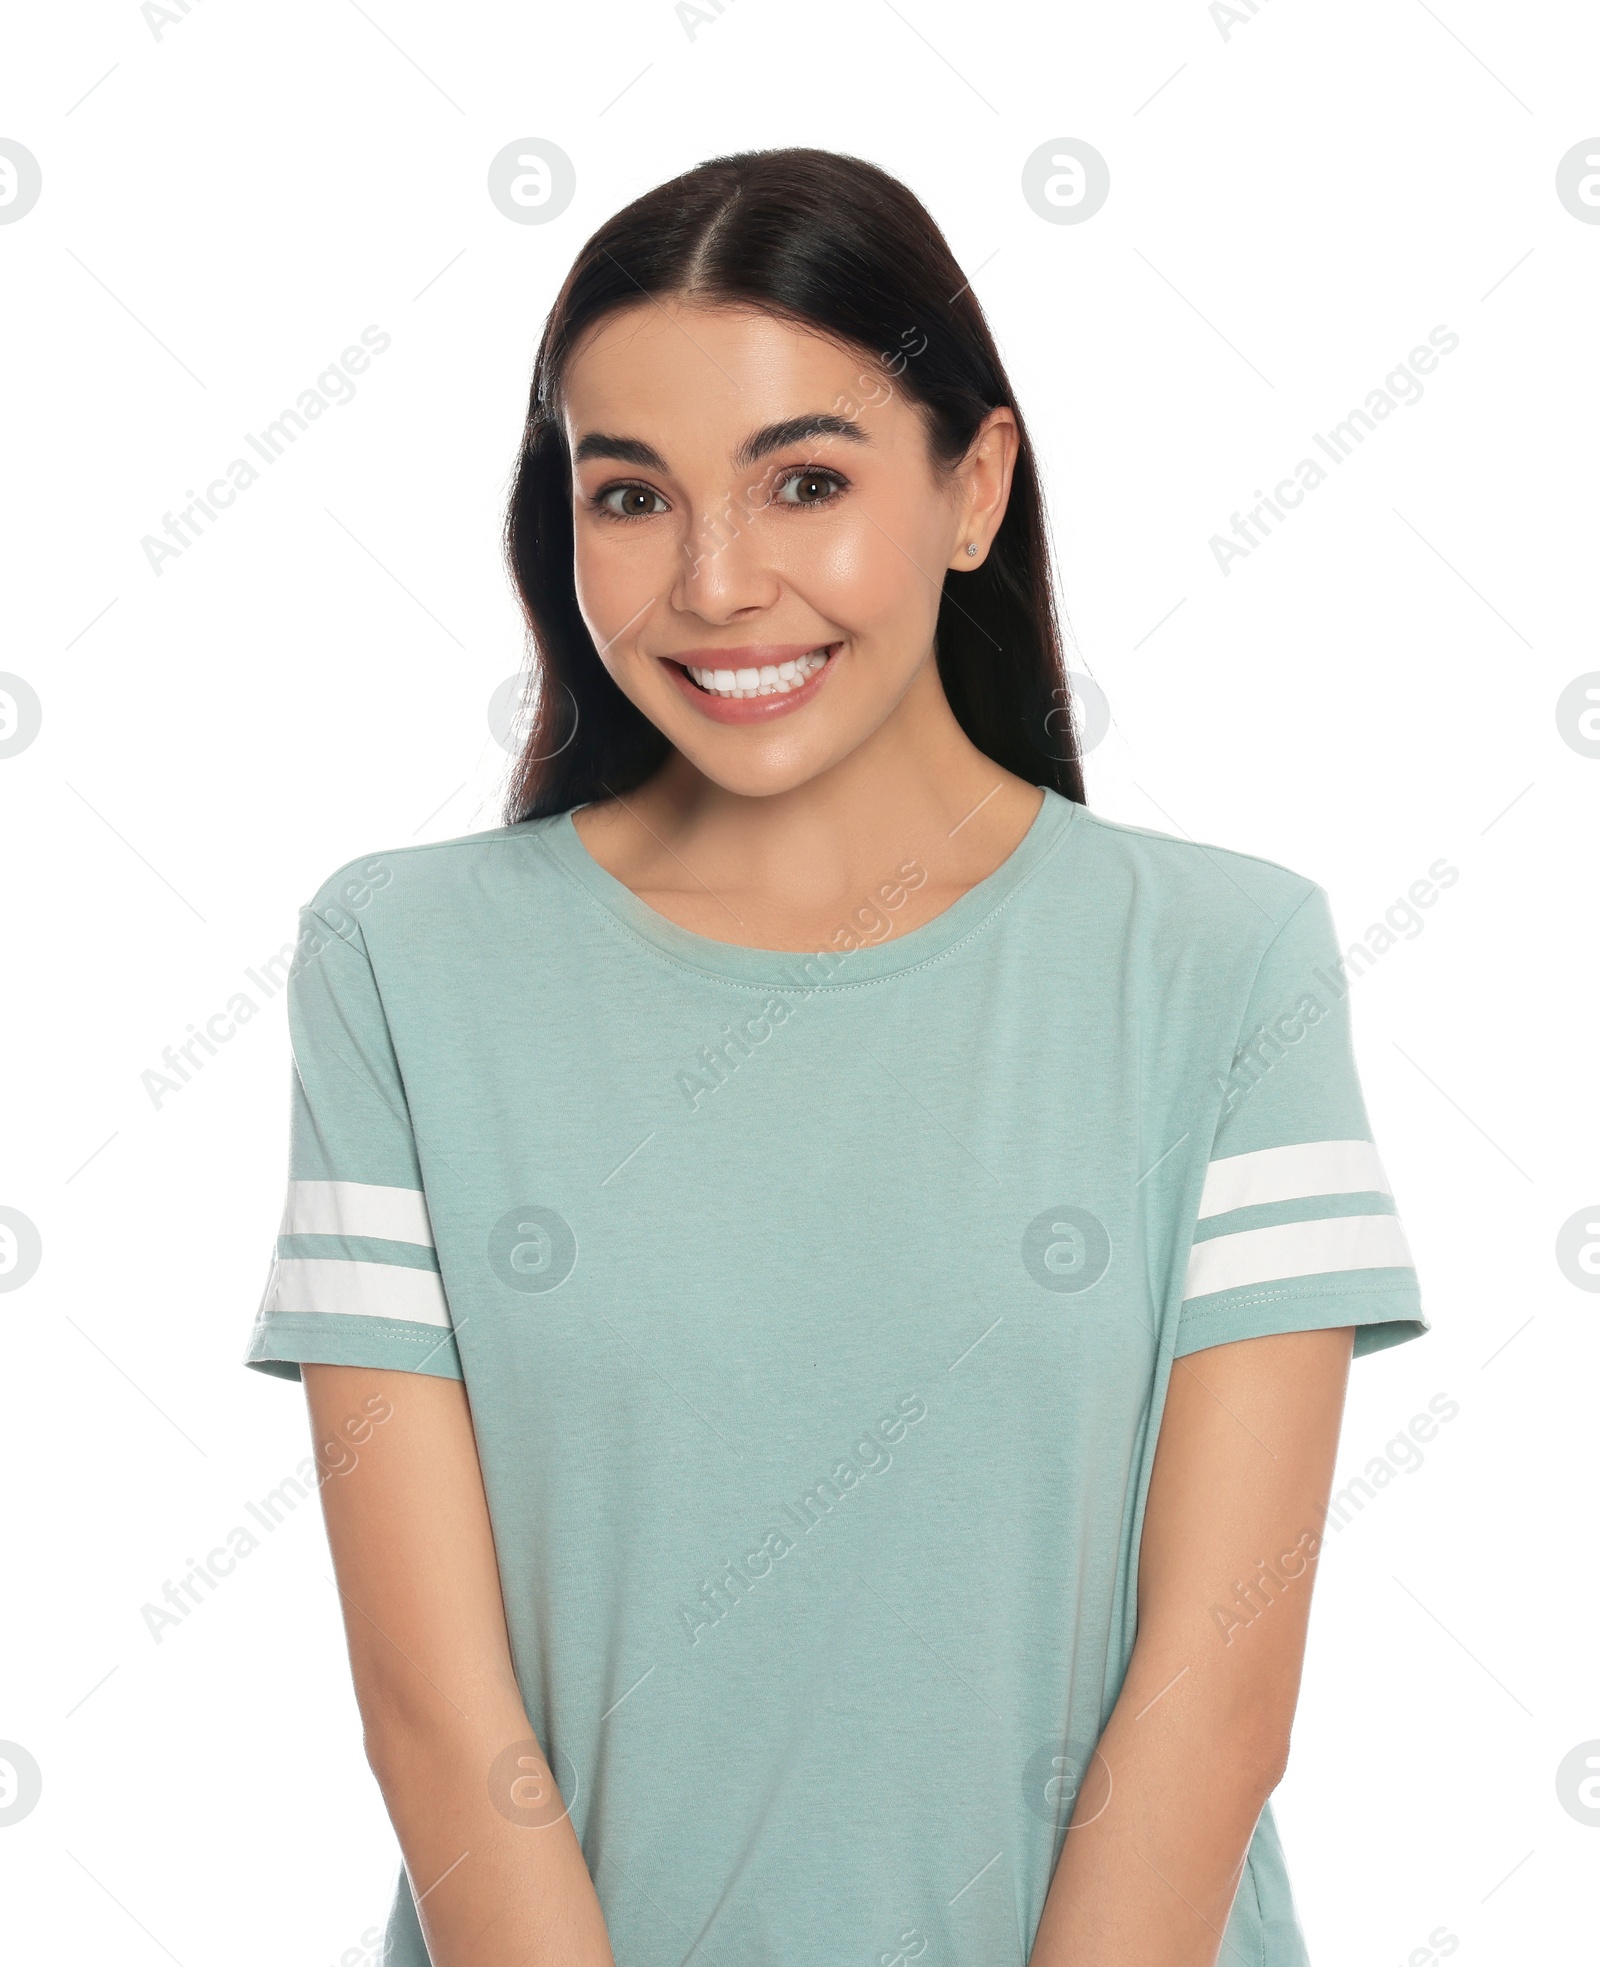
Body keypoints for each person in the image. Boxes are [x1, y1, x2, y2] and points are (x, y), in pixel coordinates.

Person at [245, 147, 1427, 1967]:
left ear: (975, 489)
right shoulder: (401, 964)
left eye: (806, 480)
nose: (716, 583)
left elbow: (1210, 1710)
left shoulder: (1220, 964)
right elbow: (435, 1712)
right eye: (629, 494)